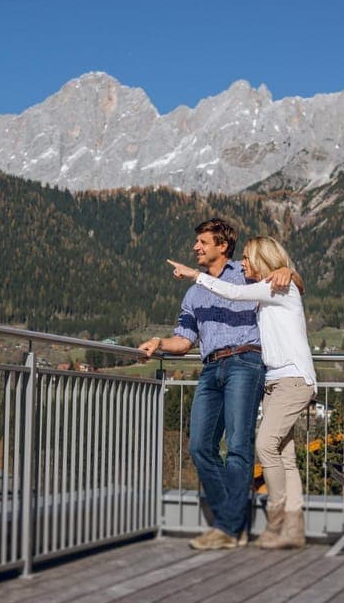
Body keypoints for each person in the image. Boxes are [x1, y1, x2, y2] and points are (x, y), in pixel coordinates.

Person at [138, 219, 299, 550]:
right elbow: (184, 341)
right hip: (210, 369)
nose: (195, 247)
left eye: (202, 242)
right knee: (199, 447)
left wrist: (287, 272)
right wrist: (159, 343)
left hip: (245, 362)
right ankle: (233, 521)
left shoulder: (245, 272)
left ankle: (227, 528)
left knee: (238, 445)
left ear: (222, 246)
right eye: (196, 242)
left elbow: (292, 283)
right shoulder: (193, 294)